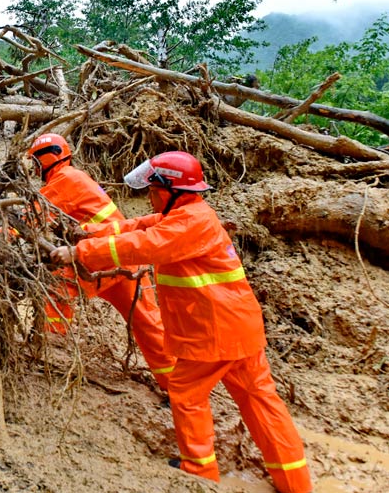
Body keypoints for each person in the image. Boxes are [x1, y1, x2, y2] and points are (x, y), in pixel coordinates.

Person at [49, 151, 312, 493]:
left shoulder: (188, 224)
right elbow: (134, 226)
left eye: (153, 189)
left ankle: (199, 471)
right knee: (261, 401)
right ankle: (295, 483)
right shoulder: (188, 215)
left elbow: (143, 244)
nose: (150, 196)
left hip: (214, 335)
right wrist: (84, 232)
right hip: (240, 331)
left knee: (186, 394)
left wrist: (79, 254)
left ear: (169, 189)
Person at [27, 133, 175, 390]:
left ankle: (49, 353)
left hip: (100, 258)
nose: (34, 169)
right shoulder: (76, 176)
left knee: (56, 291)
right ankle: (177, 386)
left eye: (35, 162)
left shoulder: (64, 180)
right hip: (127, 258)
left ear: (45, 159)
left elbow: (31, 217)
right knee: (150, 325)